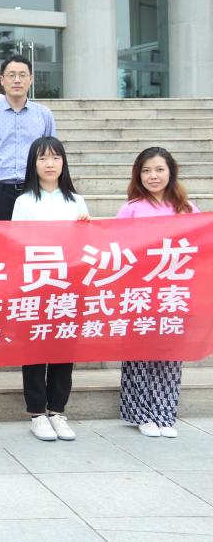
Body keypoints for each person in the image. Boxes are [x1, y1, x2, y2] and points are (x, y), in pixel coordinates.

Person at [11, 136, 89, 442]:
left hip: (69, 286)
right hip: (36, 285)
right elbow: (15, 242)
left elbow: (86, 245)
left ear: (63, 162)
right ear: (33, 164)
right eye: (42, 158)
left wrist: (86, 227)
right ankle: (37, 413)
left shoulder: (76, 201)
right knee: (34, 349)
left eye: (55, 158)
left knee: (63, 349)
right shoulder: (24, 202)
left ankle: (57, 411)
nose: (49, 164)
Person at [118, 147, 198, 439]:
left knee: (170, 354)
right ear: (138, 175)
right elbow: (118, 249)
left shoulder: (187, 209)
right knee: (139, 354)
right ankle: (141, 414)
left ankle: (165, 414)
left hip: (173, 294)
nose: (153, 176)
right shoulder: (131, 209)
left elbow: (200, 248)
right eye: (146, 170)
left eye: (159, 169)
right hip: (140, 293)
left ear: (171, 172)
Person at [0, 55, 57, 221]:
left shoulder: (44, 115)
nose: (17, 80)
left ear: (31, 79)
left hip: (34, 189)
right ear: (2, 80)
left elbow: (53, 157)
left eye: (22, 75)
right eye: (11, 75)